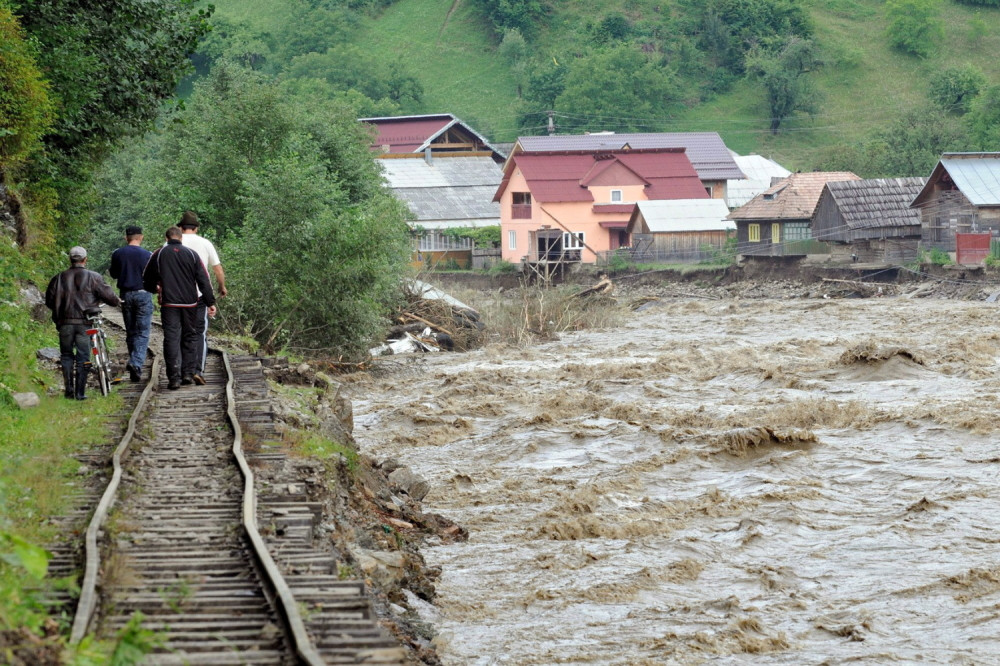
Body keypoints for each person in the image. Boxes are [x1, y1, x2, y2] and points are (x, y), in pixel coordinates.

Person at [143, 226, 217, 390]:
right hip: (190, 303)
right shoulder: (191, 254)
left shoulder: (159, 254)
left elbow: (146, 278)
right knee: (190, 336)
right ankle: (188, 374)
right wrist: (210, 302)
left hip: (169, 304)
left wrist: (155, 288)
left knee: (171, 339)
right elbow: (203, 280)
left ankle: (174, 378)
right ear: (180, 238)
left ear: (167, 237)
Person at [45, 246, 120, 400]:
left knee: (66, 355)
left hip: (64, 322)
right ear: (85, 260)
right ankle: (80, 393)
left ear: (70, 259)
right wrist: (116, 300)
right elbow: (111, 299)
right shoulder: (94, 277)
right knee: (83, 355)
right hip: (85, 323)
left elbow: (49, 301)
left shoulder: (58, 278)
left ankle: (69, 390)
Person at [178, 211, 226, 381]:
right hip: (199, 295)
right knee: (199, 333)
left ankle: (184, 371)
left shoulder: (173, 242)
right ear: (196, 228)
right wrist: (221, 287)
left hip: (177, 296)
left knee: (182, 332)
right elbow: (217, 269)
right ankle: (198, 371)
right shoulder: (205, 243)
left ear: (180, 228)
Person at [109, 225, 153, 382]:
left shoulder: (117, 254)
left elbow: (113, 274)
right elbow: (153, 276)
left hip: (125, 295)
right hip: (143, 294)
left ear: (126, 238)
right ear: (141, 237)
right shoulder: (148, 255)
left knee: (131, 331)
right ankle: (136, 363)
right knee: (143, 331)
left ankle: (135, 364)